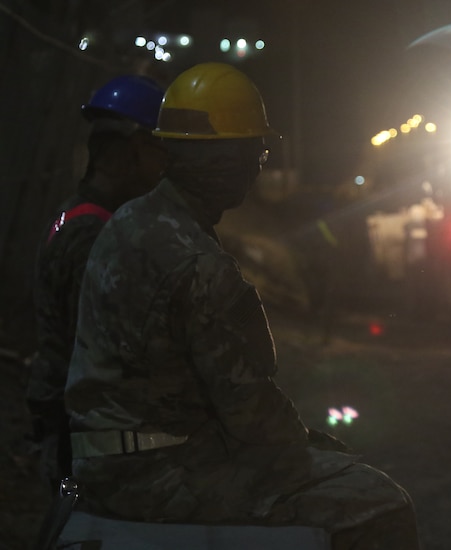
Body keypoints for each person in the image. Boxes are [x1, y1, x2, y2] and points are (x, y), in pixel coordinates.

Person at [65, 62, 420, 549]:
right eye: (256, 149)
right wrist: (310, 447)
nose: (260, 163)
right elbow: (251, 414)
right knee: (379, 502)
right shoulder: (198, 265)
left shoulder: (129, 221)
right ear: (221, 158)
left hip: (101, 459)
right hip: (154, 476)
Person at [26, 74, 167, 490]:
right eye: (158, 150)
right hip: (85, 436)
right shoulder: (93, 235)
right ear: (130, 152)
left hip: (77, 425)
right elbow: (105, 351)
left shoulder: (79, 215)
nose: (164, 166)